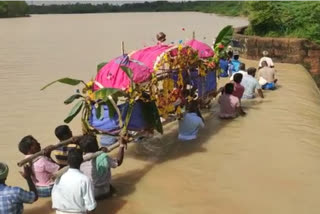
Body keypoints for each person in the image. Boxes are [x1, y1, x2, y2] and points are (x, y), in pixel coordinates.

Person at [79, 134, 126, 200]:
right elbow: (118, 162)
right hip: (105, 191)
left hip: (89, 193)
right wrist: (121, 145)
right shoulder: (103, 157)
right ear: (97, 146)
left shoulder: (79, 161)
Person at [52, 149, 96, 214]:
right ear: (81, 161)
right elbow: (91, 208)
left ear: (67, 162)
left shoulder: (59, 177)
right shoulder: (84, 179)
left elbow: (54, 197)